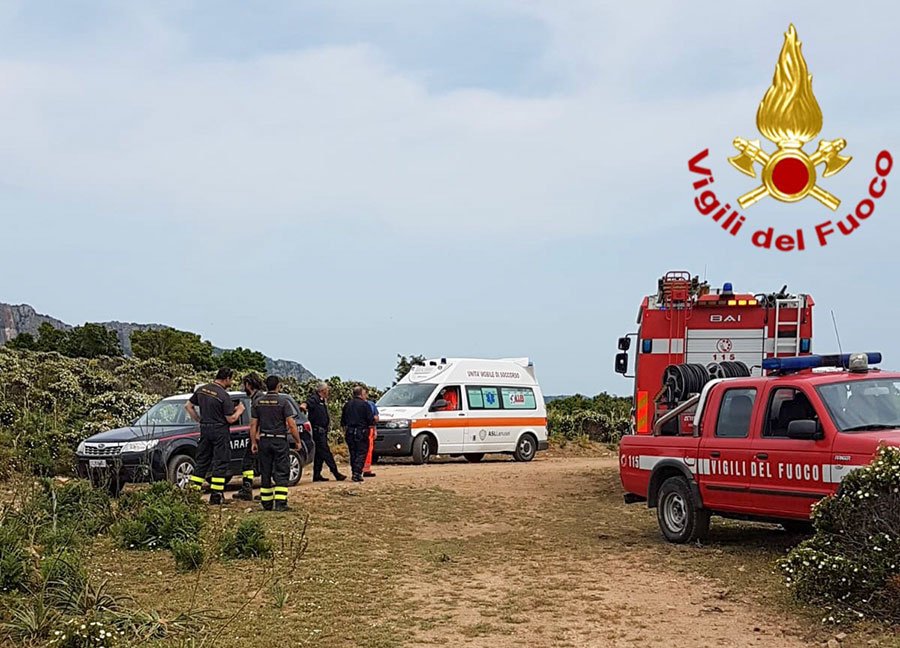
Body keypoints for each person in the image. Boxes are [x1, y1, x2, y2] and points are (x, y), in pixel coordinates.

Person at [184, 367, 245, 505]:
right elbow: (230, 419)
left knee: (202, 462)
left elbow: (188, 406)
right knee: (220, 462)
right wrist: (240, 411)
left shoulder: (202, 390)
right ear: (227, 379)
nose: (232, 382)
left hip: (205, 430)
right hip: (220, 432)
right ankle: (216, 495)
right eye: (231, 379)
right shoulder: (224, 396)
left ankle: (193, 494)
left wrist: (199, 420)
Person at [251, 375, 300, 511]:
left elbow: (253, 425)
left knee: (265, 472)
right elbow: (291, 424)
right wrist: (297, 441)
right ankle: (280, 503)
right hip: (279, 440)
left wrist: (254, 442)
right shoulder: (283, 402)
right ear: (278, 386)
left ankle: (266, 504)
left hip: (264, 440)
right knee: (282, 472)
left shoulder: (258, 402)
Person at [233, 373, 265, 501]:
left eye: (244, 385)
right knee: (255, 464)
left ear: (248, 384)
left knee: (249, 463)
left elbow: (255, 422)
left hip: (259, 437)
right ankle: (251, 490)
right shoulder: (259, 397)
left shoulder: (257, 400)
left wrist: (254, 440)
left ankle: (248, 490)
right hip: (263, 436)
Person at [306, 382, 346, 482]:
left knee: (319, 454)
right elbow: (306, 403)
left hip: (322, 431)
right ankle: (336, 473)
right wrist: (303, 406)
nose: (328, 391)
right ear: (322, 390)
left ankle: (317, 474)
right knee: (326, 452)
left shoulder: (323, 400)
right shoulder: (314, 399)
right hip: (317, 431)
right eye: (327, 389)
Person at [341, 385, 375, 482]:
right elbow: (371, 420)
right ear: (361, 394)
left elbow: (343, 421)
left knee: (353, 453)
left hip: (350, 432)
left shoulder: (347, 405)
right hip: (361, 432)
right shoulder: (365, 405)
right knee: (361, 452)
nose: (366, 396)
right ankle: (357, 473)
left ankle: (354, 471)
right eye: (364, 394)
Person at [362, 390, 379, 478]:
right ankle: (365, 469)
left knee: (369, 449)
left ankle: (366, 468)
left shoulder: (371, 404)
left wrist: (375, 430)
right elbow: (375, 418)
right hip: (366, 429)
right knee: (366, 449)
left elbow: (376, 418)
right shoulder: (369, 405)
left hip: (369, 429)